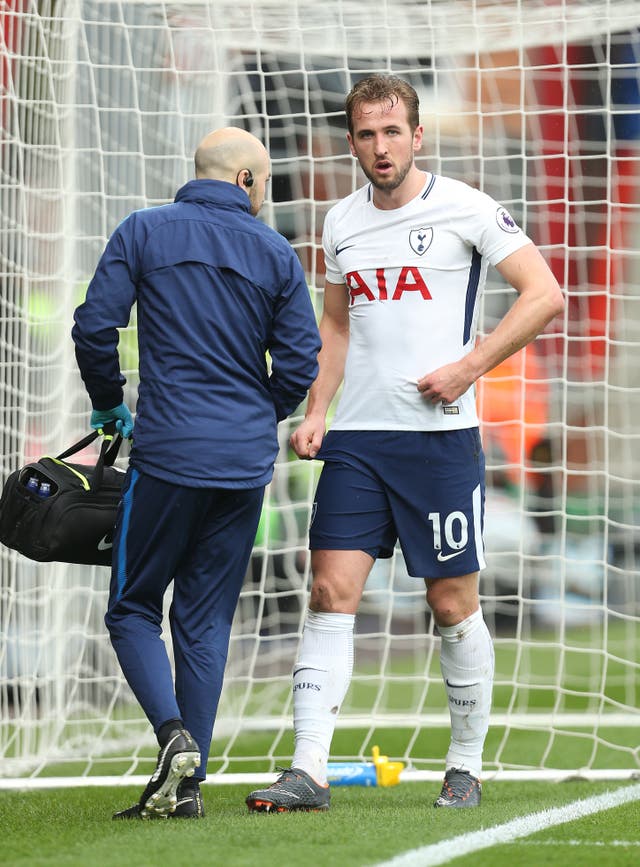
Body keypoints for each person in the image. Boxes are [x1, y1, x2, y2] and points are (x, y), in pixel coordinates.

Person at [245, 74, 564, 813]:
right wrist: (317, 407)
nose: (380, 147)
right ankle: (309, 769)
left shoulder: (469, 208)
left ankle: (464, 763)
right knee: (328, 592)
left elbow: (546, 293)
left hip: (440, 442)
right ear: (351, 140)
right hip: (356, 441)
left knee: (452, 604)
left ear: (416, 136)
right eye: (366, 134)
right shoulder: (339, 222)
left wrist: (468, 366)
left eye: (393, 132)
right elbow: (338, 326)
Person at [72, 127, 321, 819]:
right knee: (206, 619)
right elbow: (301, 363)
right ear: (244, 180)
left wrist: (107, 404)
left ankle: (171, 735)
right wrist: (251, 414)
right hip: (243, 466)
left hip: (169, 453)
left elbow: (95, 327)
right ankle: (186, 786)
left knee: (131, 606)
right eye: (264, 183)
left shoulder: (143, 231)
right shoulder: (275, 251)